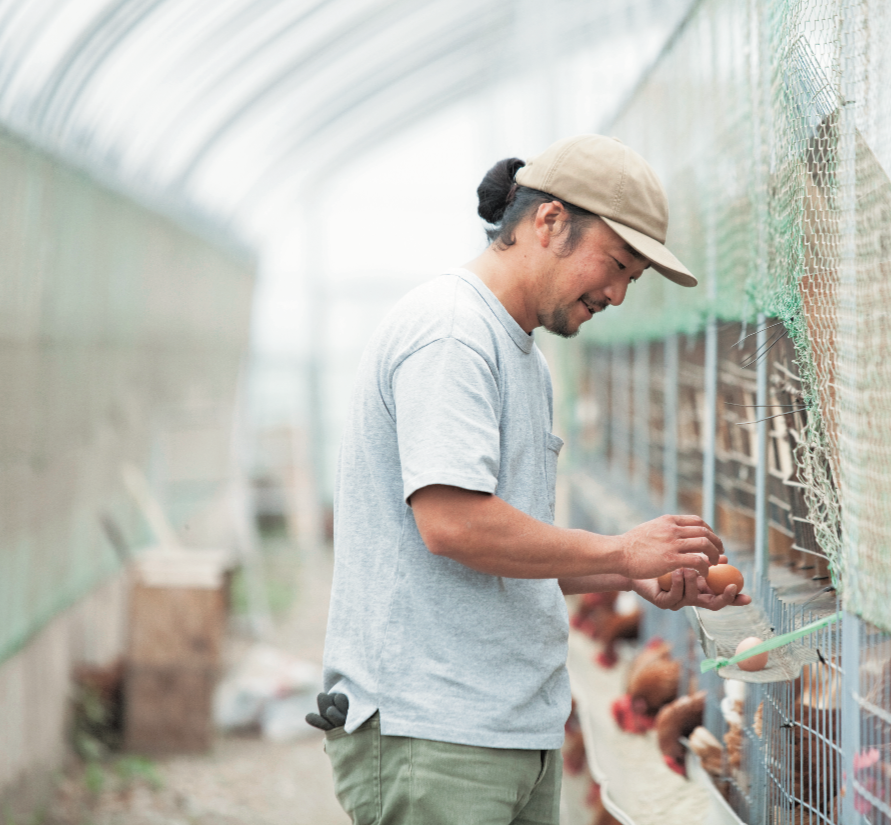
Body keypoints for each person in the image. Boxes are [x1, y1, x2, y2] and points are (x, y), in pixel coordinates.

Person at [310, 134, 749, 825]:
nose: (617, 293)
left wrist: (629, 577)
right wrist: (620, 551)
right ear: (549, 223)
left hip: (504, 729)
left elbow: (510, 551)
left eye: (633, 278)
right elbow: (452, 524)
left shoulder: (524, 358)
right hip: (440, 736)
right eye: (616, 263)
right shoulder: (454, 333)